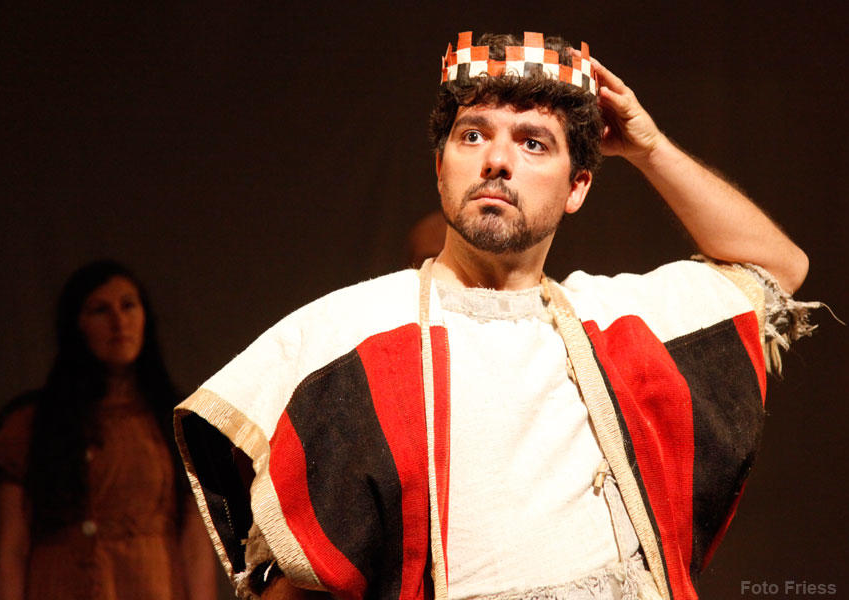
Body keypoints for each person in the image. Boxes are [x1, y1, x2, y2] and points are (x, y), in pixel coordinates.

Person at [172, 32, 819, 600]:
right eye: (473, 135)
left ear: (577, 186)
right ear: (440, 168)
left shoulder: (618, 321)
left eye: (534, 143)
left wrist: (650, 147)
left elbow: (778, 268)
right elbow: (295, 581)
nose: (497, 160)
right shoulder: (346, 338)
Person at [0, 260, 217, 600]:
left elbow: (195, 545)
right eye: (100, 310)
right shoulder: (33, 422)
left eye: (128, 306)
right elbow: (13, 548)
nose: (118, 322)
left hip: (151, 583)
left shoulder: (177, 421)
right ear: (77, 324)